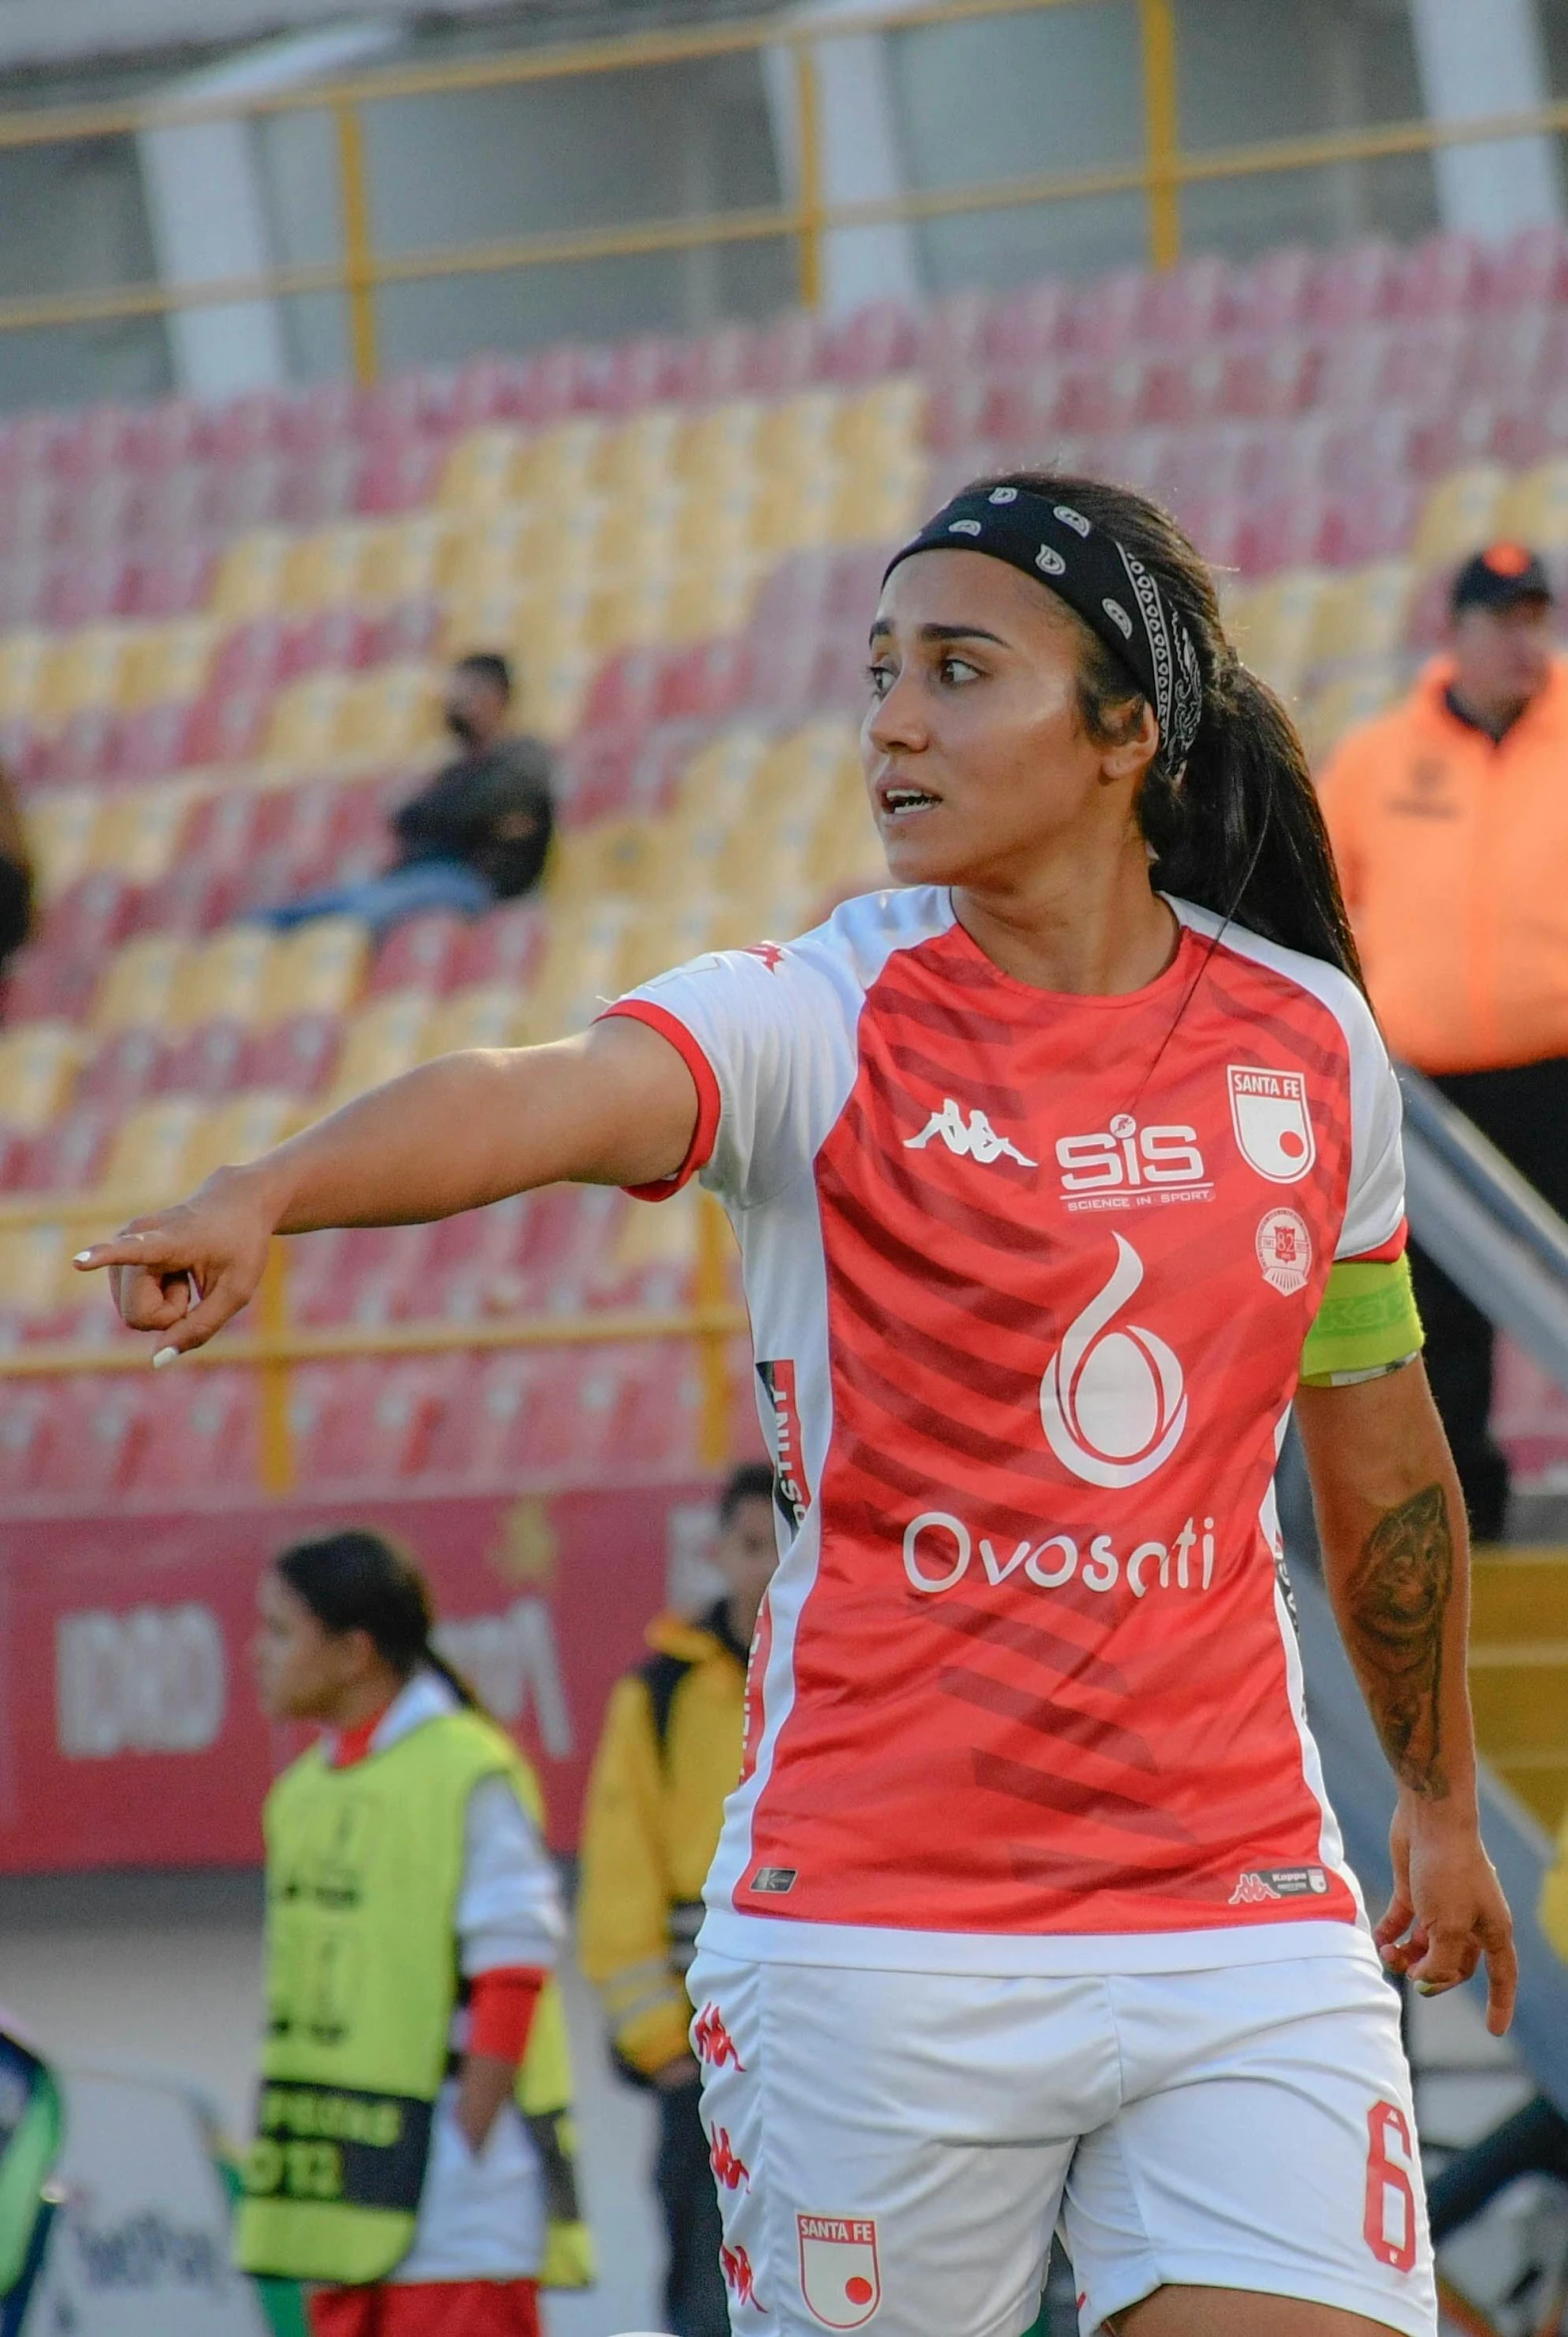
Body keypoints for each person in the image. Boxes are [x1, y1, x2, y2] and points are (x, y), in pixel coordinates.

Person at [82, 468, 1520, 2337]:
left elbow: (1384, 1456)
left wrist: (1431, 1804)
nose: (892, 721)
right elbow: (542, 1090)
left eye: (957, 669)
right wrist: (270, 1186)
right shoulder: (819, 1017)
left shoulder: (1309, 1039)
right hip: (877, 1943)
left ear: (1122, 735)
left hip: (1242, 1919)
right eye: (876, 673)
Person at [233, 1529, 591, 2337]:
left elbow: (513, 1963)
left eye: (281, 1630)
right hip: (337, 2196)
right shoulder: (297, 1794)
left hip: (453, 2208)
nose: (257, 1653)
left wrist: (460, 2149)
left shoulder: (467, 1767)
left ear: (355, 1651)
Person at [1320, 545, 1568, 1540]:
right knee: (1436, 1324)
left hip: (1558, 1071)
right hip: (1427, 1094)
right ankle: (1467, 1525)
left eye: (1536, 620)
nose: (1525, 643)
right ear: (1454, 634)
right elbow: (1318, 900)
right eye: (1504, 621)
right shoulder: (1379, 759)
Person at [578, 1458, 780, 2337]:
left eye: (785, 1542)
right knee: (705, 2292)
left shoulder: (854, 1674)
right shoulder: (659, 1692)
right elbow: (619, 1875)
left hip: (827, 2032)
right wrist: (662, 2043)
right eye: (749, 1545)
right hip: (700, 2050)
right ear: (716, 1552)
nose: (768, 1565)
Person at [261, 654, 555, 938]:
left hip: (473, 883)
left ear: (497, 695)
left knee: (356, 921)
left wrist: (442, 816)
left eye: (469, 689)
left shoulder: (523, 759)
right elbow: (412, 818)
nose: (456, 701)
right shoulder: (456, 770)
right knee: (277, 919)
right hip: (417, 878)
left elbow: (467, 809)